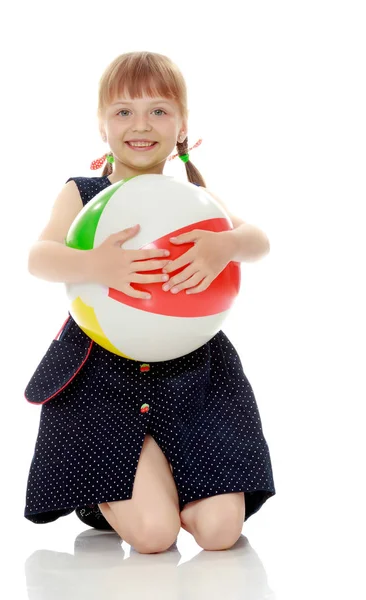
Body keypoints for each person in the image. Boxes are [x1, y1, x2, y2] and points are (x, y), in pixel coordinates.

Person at [24, 51, 276, 554]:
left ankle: (172, 469)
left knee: (223, 533)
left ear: (183, 126)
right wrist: (96, 265)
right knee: (156, 536)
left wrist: (226, 244)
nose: (141, 125)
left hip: (191, 374)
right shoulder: (83, 191)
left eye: (159, 111)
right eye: (123, 112)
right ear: (102, 126)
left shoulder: (195, 199)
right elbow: (39, 257)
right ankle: (120, 488)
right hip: (104, 373)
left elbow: (258, 241)